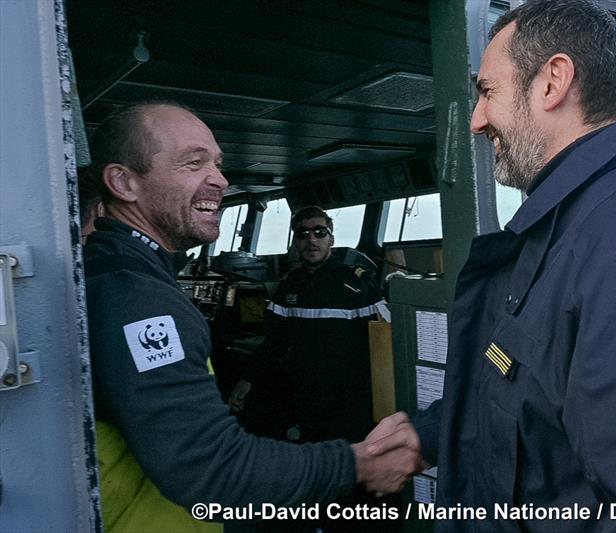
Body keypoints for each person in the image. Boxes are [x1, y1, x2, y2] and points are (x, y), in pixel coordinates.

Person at [372, 1, 616, 531]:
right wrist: (432, 434)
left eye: (487, 92)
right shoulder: (570, 226)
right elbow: (534, 394)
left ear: (552, 82)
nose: (475, 120)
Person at [83, 101, 423, 532]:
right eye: (193, 162)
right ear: (123, 182)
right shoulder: (136, 297)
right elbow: (210, 466)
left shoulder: (114, 275)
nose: (220, 180)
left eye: (219, 165)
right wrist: (355, 464)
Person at [229, 205, 396, 532]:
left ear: (331, 237)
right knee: (315, 477)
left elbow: (385, 344)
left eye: (319, 232)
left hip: (350, 403)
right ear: (295, 241)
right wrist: (245, 383)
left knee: (352, 481)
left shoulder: (357, 285)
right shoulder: (289, 287)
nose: (311, 240)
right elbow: (273, 343)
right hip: (305, 401)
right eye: (303, 233)